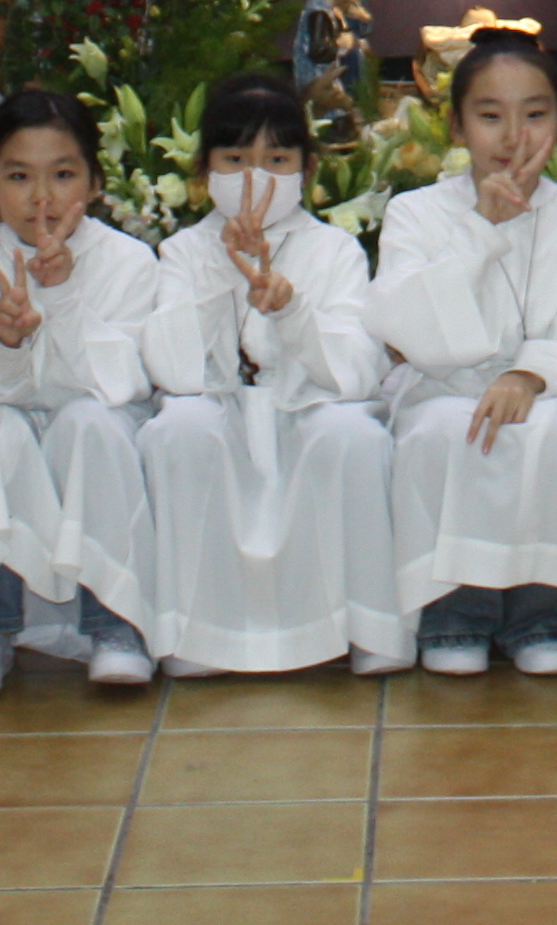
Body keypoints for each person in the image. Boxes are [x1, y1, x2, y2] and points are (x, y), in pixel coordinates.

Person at [368, 27, 557, 675]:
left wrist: (528, 375)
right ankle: (453, 616)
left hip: (548, 390)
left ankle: (544, 615)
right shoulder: (416, 214)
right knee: (442, 432)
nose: (514, 137)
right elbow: (405, 328)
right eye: (490, 116)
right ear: (456, 126)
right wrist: (481, 229)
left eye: (535, 115)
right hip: (442, 389)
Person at [137, 74, 398, 678]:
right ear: (204, 170)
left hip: (308, 410)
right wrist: (223, 276)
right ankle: (200, 633)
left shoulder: (334, 251)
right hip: (223, 411)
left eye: (276, 161)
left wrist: (291, 311)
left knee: (354, 437)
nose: (255, 179)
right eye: (236, 160)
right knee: (177, 431)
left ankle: (362, 626)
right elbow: (172, 368)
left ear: (308, 170)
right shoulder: (183, 252)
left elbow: (359, 368)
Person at [0, 85, 168, 691]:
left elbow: (119, 383)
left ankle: (115, 622)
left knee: (88, 422)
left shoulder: (129, 260)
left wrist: (60, 299)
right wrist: (6, 344)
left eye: (62, 175)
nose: (42, 198)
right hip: (0, 421)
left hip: (94, 423)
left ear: (94, 181)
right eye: (18, 177)